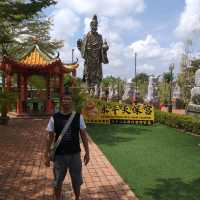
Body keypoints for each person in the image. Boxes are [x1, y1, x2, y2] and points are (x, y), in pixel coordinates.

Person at [44, 90, 90, 200]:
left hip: (75, 155)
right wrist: (46, 155)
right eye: (64, 99)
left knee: (77, 181)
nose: (66, 101)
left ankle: (77, 198)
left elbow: (83, 135)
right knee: (58, 181)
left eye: (68, 99)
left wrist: (87, 152)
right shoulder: (54, 118)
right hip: (59, 156)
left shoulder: (79, 117)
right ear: (61, 101)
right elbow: (49, 137)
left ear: (72, 102)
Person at [77, 14, 109, 96]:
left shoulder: (99, 37)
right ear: (90, 26)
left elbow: (102, 48)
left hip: (97, 60)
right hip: (89, 59)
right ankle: (88, 90)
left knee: (97, 76)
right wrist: (79, 46)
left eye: (96, 25)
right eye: (93, 25)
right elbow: (82, 50)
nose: (95, 27)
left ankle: (96, 91)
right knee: (88, 75)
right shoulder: (86, 36)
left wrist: (104, 49)